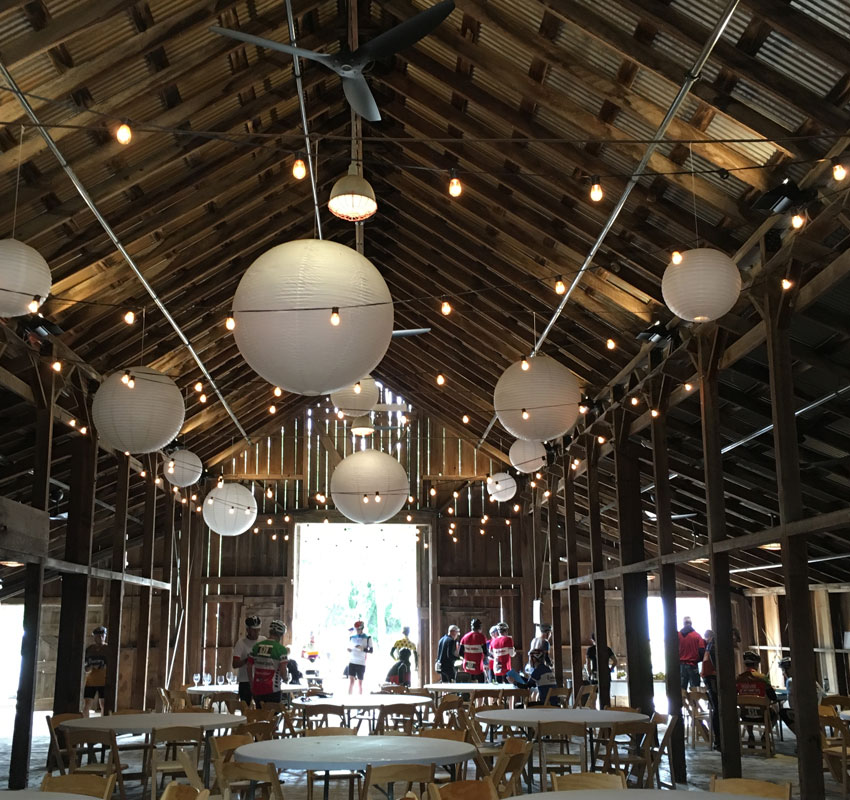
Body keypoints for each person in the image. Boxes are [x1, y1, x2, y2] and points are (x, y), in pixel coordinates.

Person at [736, 649, 777, 744]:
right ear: (756, 664)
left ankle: (751, 736)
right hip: (762, 715)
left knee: (746, 707)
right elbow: (773, 697)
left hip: (745, 715)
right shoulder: (762, 678)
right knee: (774, 715)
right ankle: (765, 736)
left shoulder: (739, 679)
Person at [247, 619, 289, 706]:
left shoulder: (256, 646)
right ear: (281, 634)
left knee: (260, 713)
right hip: (273, 689)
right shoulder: (281, 649)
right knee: (273, 714)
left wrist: (251, 684)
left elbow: (249, 666)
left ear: (270, 632)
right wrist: (286, 678)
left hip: (257, 688)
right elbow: (283, 671)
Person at [232, 615, 262, 704]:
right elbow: (235, 664)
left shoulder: (263, 640)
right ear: (248, 630)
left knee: (261, 708)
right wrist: (248, 659)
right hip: (245, 681)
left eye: (258, 630)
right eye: (254, 630)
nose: (256, 633)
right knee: (245, 707)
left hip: (260, 680)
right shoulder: (241, 643)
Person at [701, 629, 720, 749]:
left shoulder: (710, 645)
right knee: (717, 709)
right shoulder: (714, 645)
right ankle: (718, 738)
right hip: (712, 678)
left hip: (708, 678)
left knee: (716, 708)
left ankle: (718, 738)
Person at [83, 626, 109, 716]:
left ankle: (103, 723)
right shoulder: (90, 650)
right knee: (87, 704)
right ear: (94, 637)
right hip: (91, 681)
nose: (100, 638)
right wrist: (90, 667)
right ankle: (85, 722)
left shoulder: (108, 649)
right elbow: (85, 667)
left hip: (104, 681)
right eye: (98, 636)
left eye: (102, 636)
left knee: (104, 705)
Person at [678, 616, 705, 691]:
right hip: (693, 665)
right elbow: (702, 651)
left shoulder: (677, 635)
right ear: (691, 623)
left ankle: (683, 699)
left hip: (681, 666)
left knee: (681, 690)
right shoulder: (697, 636)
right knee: (695, 689)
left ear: (683, 624)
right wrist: (698, 660)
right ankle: (694, 699)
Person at [347, 620, 373, 694]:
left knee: (360, 684)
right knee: (351, 682)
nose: (357, 631)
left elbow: (371, 651)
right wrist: (349, 650)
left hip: (361, 663)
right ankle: (348, 698)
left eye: (358, 629)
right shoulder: (352, 637)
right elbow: (350, 647)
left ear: (362, 628)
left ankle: (360, 698)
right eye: (356, 629)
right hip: (352, 662)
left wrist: (363, 649)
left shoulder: (367, 638)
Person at [459, 618, 488, 683]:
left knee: (469, 683)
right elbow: (485, 652)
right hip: (478, 665)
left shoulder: (465, 637)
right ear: (480, 627)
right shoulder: (481, 637)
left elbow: (460, 653)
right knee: (481, 683)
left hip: (467, 664)